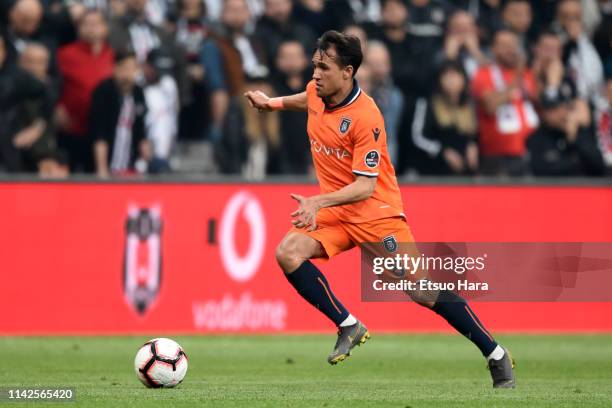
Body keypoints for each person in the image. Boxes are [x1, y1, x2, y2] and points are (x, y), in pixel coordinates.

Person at [244, 30, 515, 388]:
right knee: (288, 252)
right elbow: (304, 99)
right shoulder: (315, 92)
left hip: (376, 215)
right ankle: (348, 325)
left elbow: (365, 186)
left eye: (324, 68)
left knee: (421, 291)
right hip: (340, 213)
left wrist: (316, 201)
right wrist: (272, 103)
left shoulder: (366, 116)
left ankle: (495, 354)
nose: (315, 75)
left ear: (348, 71)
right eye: (314, 66)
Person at [471, 29, 538, 176]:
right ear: (494, 49)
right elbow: (490, 107)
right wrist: (516, 80)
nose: (511, 50)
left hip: (531, 154)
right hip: (499, 158)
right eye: (505, 45)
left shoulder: (528, 74)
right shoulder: (484, 74)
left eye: (513, 45)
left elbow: (538, 106)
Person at [90, 50, 150, 178]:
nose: (128, 73)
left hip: (130, 160)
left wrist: (146, 159)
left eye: (132, 68)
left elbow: (140, 129)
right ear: (115, 68)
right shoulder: (104, 91)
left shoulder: (138, 93)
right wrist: (102, 168)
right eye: (124, 68)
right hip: (109, 158)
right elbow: (99, 132)